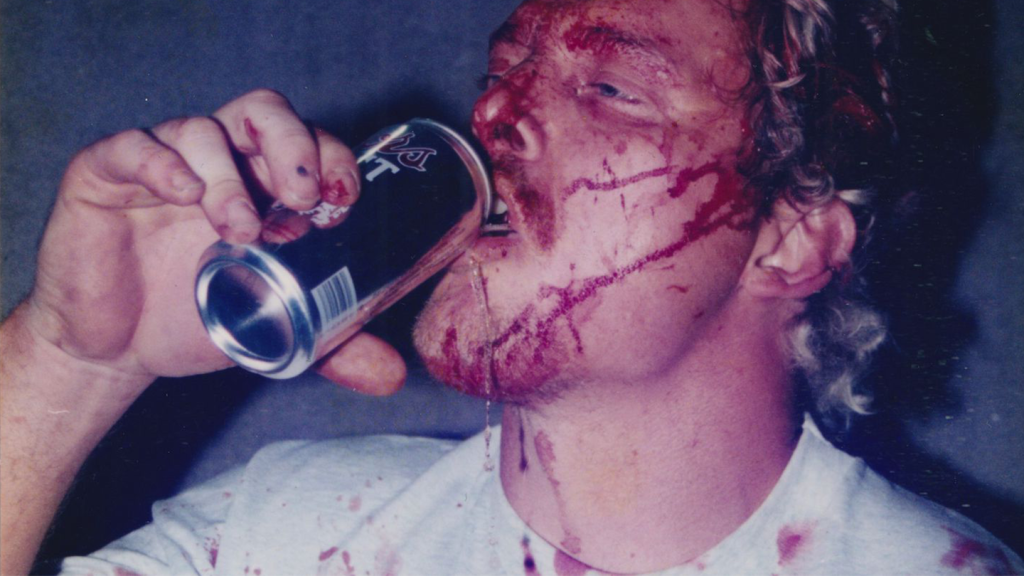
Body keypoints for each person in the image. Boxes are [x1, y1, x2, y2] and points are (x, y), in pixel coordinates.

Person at [1, 0, 1021, 574]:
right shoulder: (281, 537)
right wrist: (66, 367)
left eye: (611, 89)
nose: (495, 114)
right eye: (507, 68)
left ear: (791, 242)